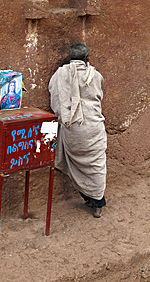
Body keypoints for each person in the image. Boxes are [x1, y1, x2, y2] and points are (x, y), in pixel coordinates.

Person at [48, 43, 107, 218]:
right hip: (93, 128)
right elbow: (99, 96)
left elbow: (54, 96)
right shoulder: (94, 75)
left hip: (72, 130)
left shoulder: (59, 75)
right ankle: (98, 202)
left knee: (75, 165)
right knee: (96, 165)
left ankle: (87, 197)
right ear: (86, 58)